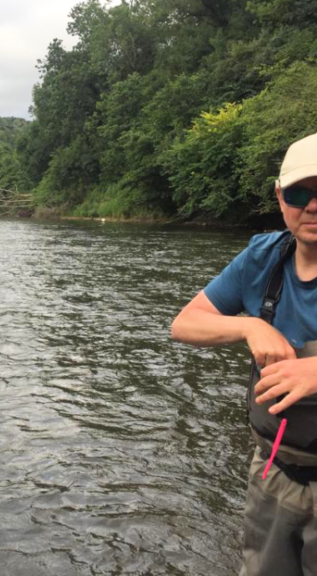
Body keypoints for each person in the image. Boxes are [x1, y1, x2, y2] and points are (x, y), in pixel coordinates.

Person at [171, 132, 317, 576]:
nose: (313, 206)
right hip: (273, 469)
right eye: (300, 193)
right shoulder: (262, 259)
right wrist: (249, 324)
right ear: (279, 197)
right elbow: (184, 323)